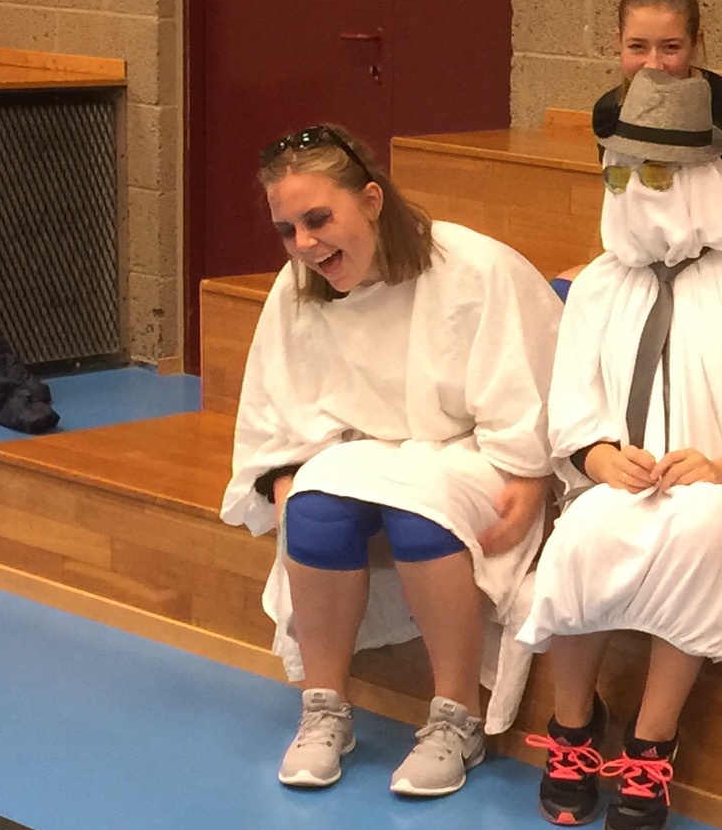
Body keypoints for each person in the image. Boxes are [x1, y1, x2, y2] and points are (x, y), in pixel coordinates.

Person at [520, 71, 722, 830]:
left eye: (656, 174)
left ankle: (651, 744)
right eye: (620, 173)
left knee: (701, 525)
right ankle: (573, 723)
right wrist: (603, 460)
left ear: (701, 178)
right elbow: (572, 416)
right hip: (629, 487)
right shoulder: (599, 286)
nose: (635, 191)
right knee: (584, 531)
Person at [223, 124, 563, 796]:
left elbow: (527, 393)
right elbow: (278, 404)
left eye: (318, 219)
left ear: (372, 200)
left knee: (419, 515)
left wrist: (531, 475)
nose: (305, 244)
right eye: (288, 230)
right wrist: (286, 475)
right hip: (363, 448)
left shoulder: (477, 268)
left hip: (474, 450)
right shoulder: (299, 287)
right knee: (314, 511)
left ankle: (457, 718)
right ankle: (325, 708)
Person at [595, 0, 722, 175]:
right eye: (637, 46)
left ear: (695, 43)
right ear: (619, 42)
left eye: (671, 47)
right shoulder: (609, 112)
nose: (653, 65)